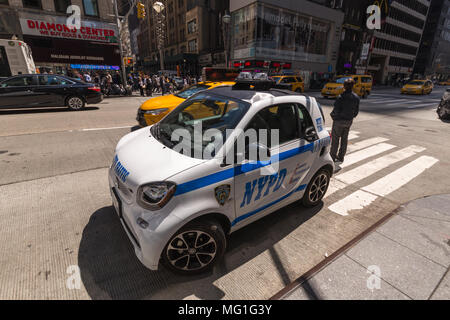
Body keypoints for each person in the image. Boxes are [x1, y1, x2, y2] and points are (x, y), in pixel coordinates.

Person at [330, 78, 360, 163]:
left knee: (335, 140)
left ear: (344, 86)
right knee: (344, 139)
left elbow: (335, 110)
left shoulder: (340, 97)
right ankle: (341, 157)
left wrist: (333, 116)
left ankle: (332, 157)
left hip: (339, 121)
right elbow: (356, 111)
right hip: (348, 121)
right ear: (352, 86)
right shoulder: (356, 97)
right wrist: (351, 117)